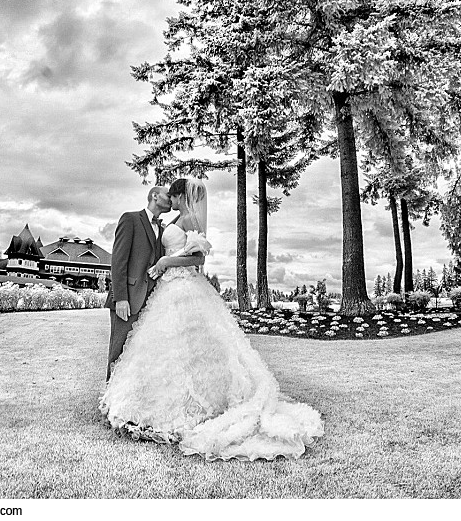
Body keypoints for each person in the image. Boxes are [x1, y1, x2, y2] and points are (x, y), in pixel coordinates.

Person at [100, 178, 324, 461]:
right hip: (153, 291)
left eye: (173, 194)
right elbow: (123, 259)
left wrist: (167, 262)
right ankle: (118, 401)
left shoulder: (189, 218)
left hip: (180, 288)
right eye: (165, 195)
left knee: (187, 350)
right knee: (140, 348)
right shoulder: (147, 220)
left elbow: (197, 260)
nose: (169, 199)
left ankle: (187, 404)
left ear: (180, 196)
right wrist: (127, 291)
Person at [104, 185, 204, 381]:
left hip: (153, 300)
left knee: (137, 353)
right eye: (168, 195)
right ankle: (110, 396)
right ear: (154, 196)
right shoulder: (130, 219)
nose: (171, 199)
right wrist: (121, 298)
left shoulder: (165, 228)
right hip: (129, 298)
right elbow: (118, 261)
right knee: (119, 348)